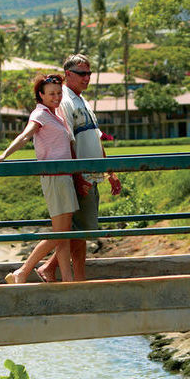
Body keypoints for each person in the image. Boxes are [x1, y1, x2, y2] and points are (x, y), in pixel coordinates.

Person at [0, 73, 77, 283]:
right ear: (41, 95)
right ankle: (23, 271)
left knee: (63, 232)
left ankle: (67, 280)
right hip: (55, 178)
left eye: (59, 93)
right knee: (61, 232)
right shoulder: (41, 114)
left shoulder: (56, 115)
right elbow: (25, 135)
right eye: (51, 94)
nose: (56, 97)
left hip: (64, 176)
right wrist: (4, 154)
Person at [37, 54, 121, 282]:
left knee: (81, 230)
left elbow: (95, 139)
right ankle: (64, 274)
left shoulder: (82, 101)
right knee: (77, 231)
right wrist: (77, 176)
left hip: (91, 174)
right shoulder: (65, 101)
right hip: (80, 175)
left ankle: (58, 271)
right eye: (82, 73)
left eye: (89, 73)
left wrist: (109, 172)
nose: (87, 77)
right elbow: (68, 141)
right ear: (68, 75)